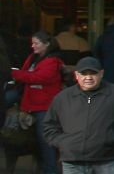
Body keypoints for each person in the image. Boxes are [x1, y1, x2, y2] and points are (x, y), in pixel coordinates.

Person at [43, 56, 114, 174]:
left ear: (101, 74)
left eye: (93, 73)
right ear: (76, 75)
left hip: (107, 161)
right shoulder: (63, 98)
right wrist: (63, 143)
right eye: (84, 74)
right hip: (72, 162)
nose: (88, 77)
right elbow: (49, 126)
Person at [11, 32, 64, 174]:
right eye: (32, 43)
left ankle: (50, 170)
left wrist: (14, 74)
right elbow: (28, 75)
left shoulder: (53, 61)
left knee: (45, 140)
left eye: (36, 43)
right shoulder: (33, 57)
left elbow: (38, 77)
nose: (32, 46)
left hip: (45, 105)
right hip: (31, 102)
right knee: (39, 140)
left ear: (47, 44)